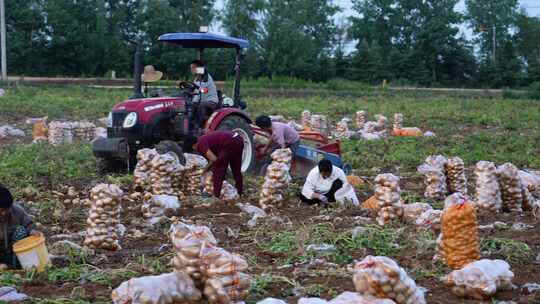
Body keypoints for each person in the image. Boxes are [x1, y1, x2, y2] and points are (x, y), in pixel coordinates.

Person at [184, 131, 244, 198]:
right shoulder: (204, 139)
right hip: (238, 139)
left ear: (193, 145)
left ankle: (216, 196)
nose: (195, 150)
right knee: (236, 169)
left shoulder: (200, 144)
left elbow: (214, 159)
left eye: (193, 148)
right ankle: (240, 192)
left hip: (229, 142)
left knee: (218, 170)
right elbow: (212, 159)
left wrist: (205, 170)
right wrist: (206, 169)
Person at [0, 184, 40, 269]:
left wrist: (32, 231)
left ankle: (16, 266)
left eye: (5, 209)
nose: (3, 213)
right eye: (1, 210)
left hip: (11, 251)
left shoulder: (16, 210)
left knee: (21, 231)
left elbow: (29, 224)